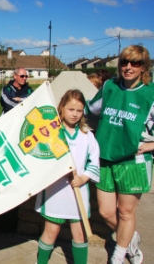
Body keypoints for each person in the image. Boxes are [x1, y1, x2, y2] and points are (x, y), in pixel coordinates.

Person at [86, 45, 154, 264]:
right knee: (106, 212)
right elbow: (90, 110)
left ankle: (119, 255)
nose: (128, 67)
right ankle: (131, 238)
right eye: (124, 62)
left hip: (133, 162)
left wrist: (151, 146)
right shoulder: (109, 87)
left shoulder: (150, 94)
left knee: (126, 213)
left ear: (144, 66)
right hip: (106, 158)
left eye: (135, 63)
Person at [34, 89, 100, 264]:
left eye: (79, 111)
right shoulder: (52, 133)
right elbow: (41, 157)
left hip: (78, 191)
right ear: (62, 107)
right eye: (71, 109)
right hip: (56, 192)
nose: (75, 114)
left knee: (79, 233)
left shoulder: (87, 135)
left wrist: (84, 178)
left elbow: (94, 162)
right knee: (52, 231)